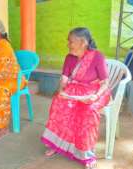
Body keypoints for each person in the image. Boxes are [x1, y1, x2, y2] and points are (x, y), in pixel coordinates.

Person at [41, 27, 111, 169]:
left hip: (95, 91)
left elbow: (105, 83)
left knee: (87, 110)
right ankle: (57, 143)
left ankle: (87, 153)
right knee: (58, 103)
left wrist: (95, 96)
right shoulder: (69, 57)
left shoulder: (97, 56)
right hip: (74, 90)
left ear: (83, 42)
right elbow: (64, 79)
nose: (68, 44)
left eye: (71, 41)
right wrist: (61, 91)